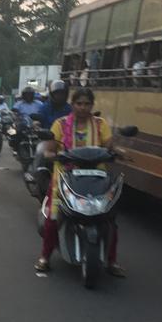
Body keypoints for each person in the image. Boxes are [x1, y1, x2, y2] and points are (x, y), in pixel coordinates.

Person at [34, 87, 124, 276]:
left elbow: (109, 145)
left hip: (96, 178)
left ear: (92, 105)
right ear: (73, 105)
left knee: (110, 219)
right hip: (65, 177)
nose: (83, 107)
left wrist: (118, 152)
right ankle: (45, 257)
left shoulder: (100, 124)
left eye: (87, 104)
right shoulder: (60, 124)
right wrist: (52, 155)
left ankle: (112, 261)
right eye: (79, 103)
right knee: (53, 218)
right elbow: (50, 149)